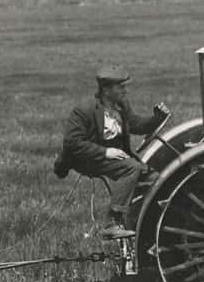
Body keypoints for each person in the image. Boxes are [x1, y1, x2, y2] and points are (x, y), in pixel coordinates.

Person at [53, 66, 170, 239]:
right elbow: (72, 143)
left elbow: (135, 125)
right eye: (121, 87)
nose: (125, 91)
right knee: (131, 168)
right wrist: (105, 152)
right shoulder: (84, 110)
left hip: (115, 157)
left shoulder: (120, 106)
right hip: (87, 158)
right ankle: (111, 224)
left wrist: (157, 118)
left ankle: (142, 221)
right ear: (106, 90)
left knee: (154, 179)